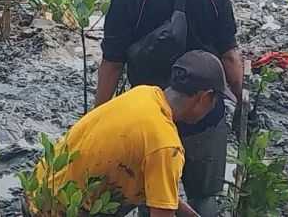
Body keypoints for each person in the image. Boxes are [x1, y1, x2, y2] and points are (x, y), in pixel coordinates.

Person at [96, 0, 242, 217]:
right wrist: (239, 98)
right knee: (206, 200)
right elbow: (231, 56)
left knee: (155, 201)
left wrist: (99, 116)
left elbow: (112, 65)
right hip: (205, 117)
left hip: (150, 123)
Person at [25, 50, 236, 217]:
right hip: (58, 212)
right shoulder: (166, 146)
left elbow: (158, 189)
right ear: (206, 98)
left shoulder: (143, 95)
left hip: (36, 194)